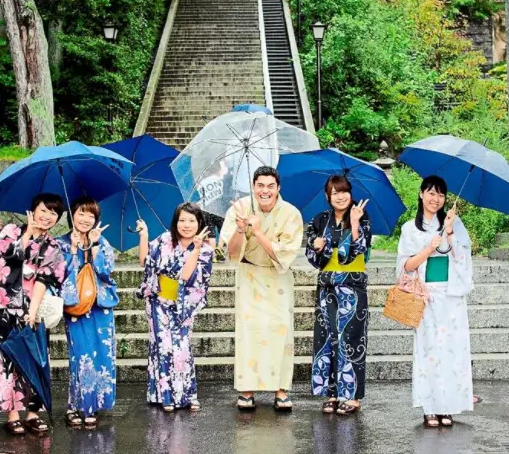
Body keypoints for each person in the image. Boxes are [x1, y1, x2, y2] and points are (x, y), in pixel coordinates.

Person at [220, 166, 303, 411]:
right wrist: (240, 229)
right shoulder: (240, 209)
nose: (265, 191)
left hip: (278, 277)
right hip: (249, 274)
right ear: (253, 187)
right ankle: (247, 390)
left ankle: (281, 390)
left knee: (281, 331)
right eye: (260, 186)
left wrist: (257, 231)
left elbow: (286, 254)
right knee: (249, 331)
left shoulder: (291, 213)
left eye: (270, 186)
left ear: (278, 188)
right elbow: (230, 253)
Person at [396, 175, 474, 428]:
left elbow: (463, 259)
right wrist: (428, 250)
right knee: (429, 351)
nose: (435, 199)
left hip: (450, 296)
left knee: (452, 351)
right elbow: (405, 266)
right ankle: (430, 407)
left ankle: (448, 406)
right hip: (426, 296)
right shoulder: (410, 228)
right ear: (421, 194)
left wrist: (450, 233)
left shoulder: (453, 224)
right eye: (430, 193)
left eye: (440, 194)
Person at [0, 193, 66, 435]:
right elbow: (4, 257)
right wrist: (27, 235)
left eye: (53, 213)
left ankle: (33, 413)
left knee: (35, 359)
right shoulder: (11, 231)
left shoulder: (52, 246)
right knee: (7, 360)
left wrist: (32, 312)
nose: (47, 216)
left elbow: (45, 279)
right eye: (44, 210)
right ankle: (12, 415)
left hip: (34, 310)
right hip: (6, 309)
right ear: (33, 210)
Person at [137, 202, 214, 412]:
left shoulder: (205, 250)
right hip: (158, 300)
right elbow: (144, 260)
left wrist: (196, 248)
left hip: (183, 303)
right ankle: (165, 395)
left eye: (191, 221)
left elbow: (186, 277)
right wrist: (144, 235)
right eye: (182, 220)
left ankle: (187, 393)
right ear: (175, 221)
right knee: (162, 347)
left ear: (199, 223)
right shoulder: (164, 240)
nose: (186, 225)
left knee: (181, 348)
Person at [305, 175, 372, 415]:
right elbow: (312, 255)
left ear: (350, 193)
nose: (340, 196)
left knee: (351, 340)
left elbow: (360, 251)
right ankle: (331, 392)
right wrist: (316, 245)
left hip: (352, 290)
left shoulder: (362, 217)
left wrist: (354, 225)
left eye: (344, 192)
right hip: (327, 289)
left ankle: (352, 396)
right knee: (327, 339)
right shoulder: (319, 220)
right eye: (335, 193)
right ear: (328, 196)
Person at [57, 196, 117, 429]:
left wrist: (92, 247)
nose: (85, 219)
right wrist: (72, 250)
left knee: (102, 354)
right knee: (80, 356)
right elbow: (59, 275)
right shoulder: (61, 243)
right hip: (77, 308)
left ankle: (94, 405)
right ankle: (77, 405)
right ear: (72, 215)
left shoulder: (102, 242)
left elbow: (106, 271)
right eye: (81, 213)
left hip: (100, 307)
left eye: (90, 215)